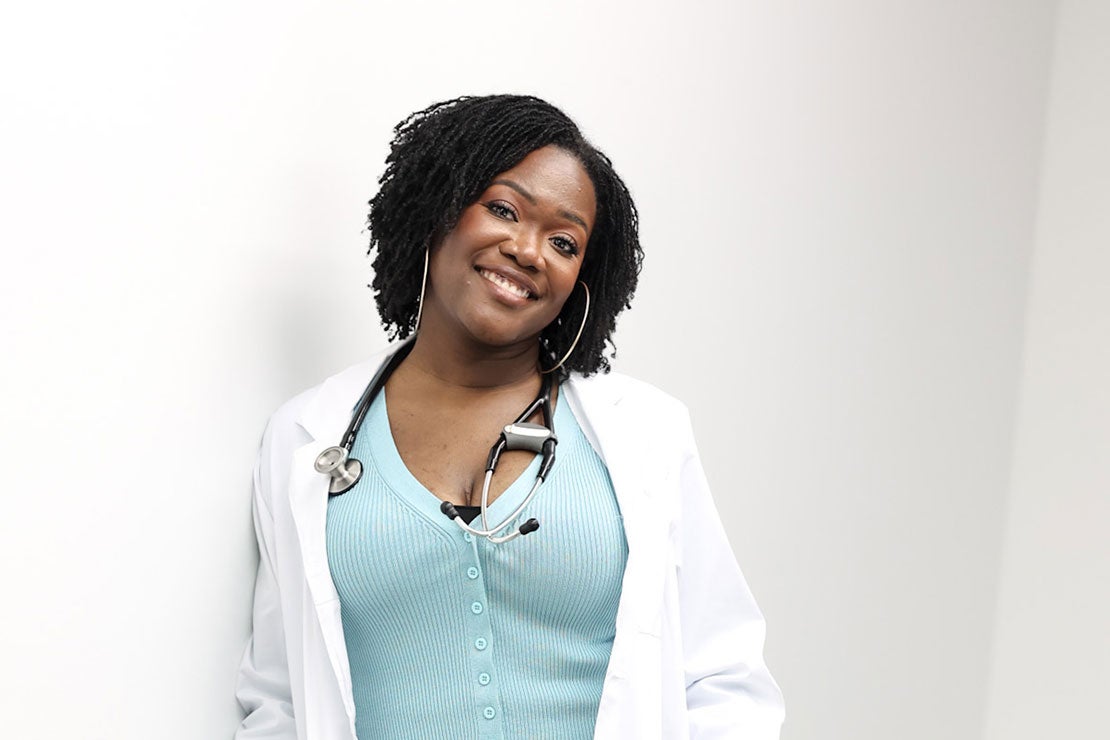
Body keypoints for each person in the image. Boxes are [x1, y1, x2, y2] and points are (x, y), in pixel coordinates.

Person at [235, 94, 784, 740]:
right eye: (503, 209)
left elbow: (722, 678)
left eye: (563, 241)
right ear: (438, 206)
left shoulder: (647, 432)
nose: (528, 251)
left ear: (581, 281)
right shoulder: (305, 438)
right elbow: (278, 700)